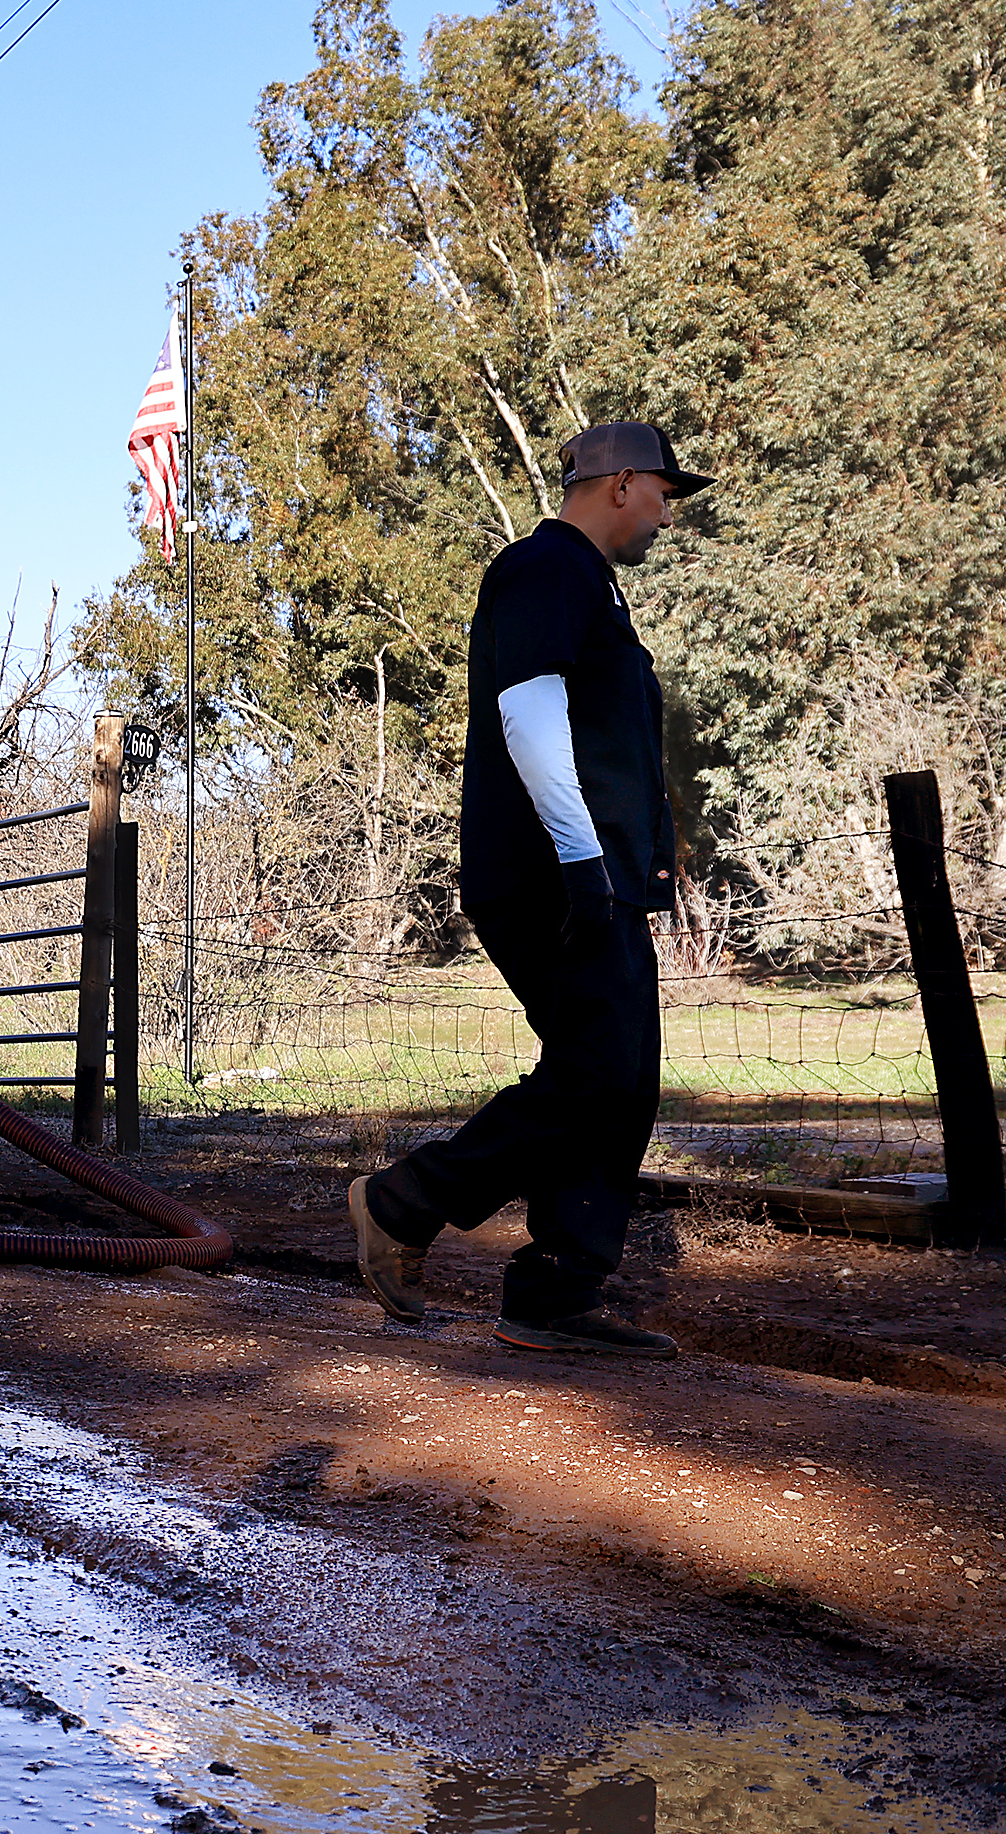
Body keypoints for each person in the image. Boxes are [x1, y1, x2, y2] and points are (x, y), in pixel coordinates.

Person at [346, 421, 710, 1356]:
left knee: (618, 1080)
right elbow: (528, 710)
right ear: (621, 482)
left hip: (597, 877)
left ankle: (555, 1292)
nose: (668, 513)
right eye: (665, 493)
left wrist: (639, 864)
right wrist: (585, 860)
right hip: (556, 876)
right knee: (595, 1071)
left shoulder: (593, 587)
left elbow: (599, 735)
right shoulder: (546, 567)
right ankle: (403, 1201)